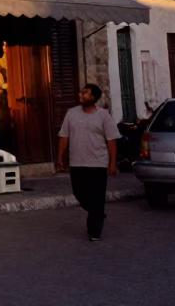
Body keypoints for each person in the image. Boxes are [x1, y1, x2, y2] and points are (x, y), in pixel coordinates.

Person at [57, 83, 119, 241]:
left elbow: (111, 140)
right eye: (81, 93)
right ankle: (97, 212)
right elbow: (64, 137)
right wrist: (59, 158)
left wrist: (112, 163)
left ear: (94, 97)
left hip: (98, 163)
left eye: (86, 93)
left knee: (97, 197)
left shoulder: (103, 115)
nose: (81, 96)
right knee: (79, 193)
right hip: (77, 163)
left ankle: (94, 231)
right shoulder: (71, 114)